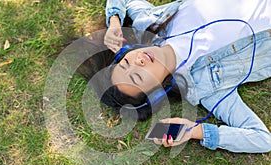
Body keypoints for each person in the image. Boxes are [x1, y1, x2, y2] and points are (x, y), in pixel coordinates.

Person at [94, 0, 271, 153]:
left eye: (126, 62)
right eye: (137, 77)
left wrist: (114, 21)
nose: (138, 61)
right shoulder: (207, 88)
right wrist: (195, 131)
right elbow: (262, 139)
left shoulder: (150, 22)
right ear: (157, 91)